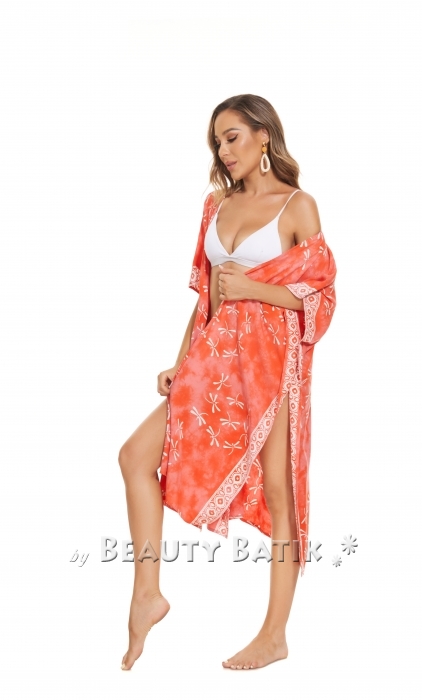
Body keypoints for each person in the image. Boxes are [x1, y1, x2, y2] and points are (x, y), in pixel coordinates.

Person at [118, 94, 337, 671]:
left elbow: (320, 298)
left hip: (270, 369)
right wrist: (180, 361)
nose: (223, 150)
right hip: (212, 365)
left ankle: (274, 635)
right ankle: (147, 595)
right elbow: (206, 300)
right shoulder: (215, 205)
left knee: (280, 489)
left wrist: (253, 289)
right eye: (217, 141)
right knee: (135, 456)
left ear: (264, 135)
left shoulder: (297, 206)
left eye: (232, 136)